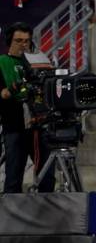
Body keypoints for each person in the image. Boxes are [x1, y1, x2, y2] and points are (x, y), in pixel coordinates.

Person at [0, 22, 54, 194]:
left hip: (40, 126)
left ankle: (44, 214)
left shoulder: (37, 63)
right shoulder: (2, 62)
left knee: (47, 177)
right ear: (9, 41)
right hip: (14, 127)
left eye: (27, 41)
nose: (23, 45)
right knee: (13, 177)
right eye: (18, 40)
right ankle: (10, 218)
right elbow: (2, 94)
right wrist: (17, 86)